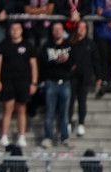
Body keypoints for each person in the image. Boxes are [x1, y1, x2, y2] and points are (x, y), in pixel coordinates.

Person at [0, 21, 36, 149]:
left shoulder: (28, 45)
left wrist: (34, 82)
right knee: (7, 108)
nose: (15, 31)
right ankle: (4, 136)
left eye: (18, 28)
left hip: (23, 81)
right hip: (7, 81)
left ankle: (21, 136)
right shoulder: (3, 45)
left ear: (22, 30)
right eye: (13, 28)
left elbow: (33, 65)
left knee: (21, 109)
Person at [38, 20, 73, 149]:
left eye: (59, 29)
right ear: (52, 31)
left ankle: (65, 137)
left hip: (65, 82)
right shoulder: (46, 46)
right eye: (55, 29)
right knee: (49, 112)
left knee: (64, 113)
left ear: (63, 31)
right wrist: (57, 61)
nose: (57, 32)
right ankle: (48, 137)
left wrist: (64, 62)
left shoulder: (69, 45)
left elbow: (73, 63)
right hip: (51, 82)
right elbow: (43, 63)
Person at [67, 19, 100, 137]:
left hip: (85, 77)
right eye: (79, 27)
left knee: (82, 101)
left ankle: (81, 124)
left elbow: (96, 61)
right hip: (72, 77)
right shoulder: (70, 43)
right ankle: (68, 123)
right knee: (70, 101)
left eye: (83, 28)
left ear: (86, 30)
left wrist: (98, 76)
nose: (81, 30)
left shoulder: (91, 44)